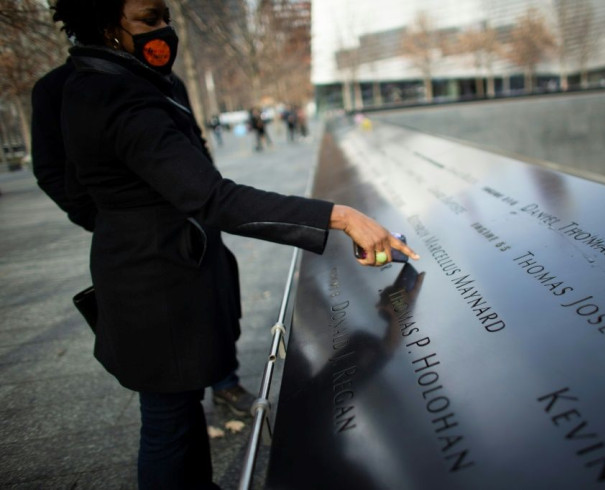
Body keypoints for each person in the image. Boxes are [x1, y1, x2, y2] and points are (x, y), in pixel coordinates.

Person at [48, 1, 418, 489]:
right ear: (105, 24)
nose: (164, 30)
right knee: (168, 420)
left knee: (176, 407)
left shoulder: (94, 83)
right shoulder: (120, 94)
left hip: (144, 271)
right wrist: (340, 216)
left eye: (165, 16)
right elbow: (212, 197)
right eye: (149, 19)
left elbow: (97, 190)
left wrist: (128, 230)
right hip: (156, 286)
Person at [32, 61, 255, 419]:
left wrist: (202, 191)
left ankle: (225, 382)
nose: (160, 30)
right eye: (148, 17)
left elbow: (193, 143)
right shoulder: (61, 88)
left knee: (216, 316)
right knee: (168, 399)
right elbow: (51, 168)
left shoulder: (166, 79)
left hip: (195, 230)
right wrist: (102, 219)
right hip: (146, 252)